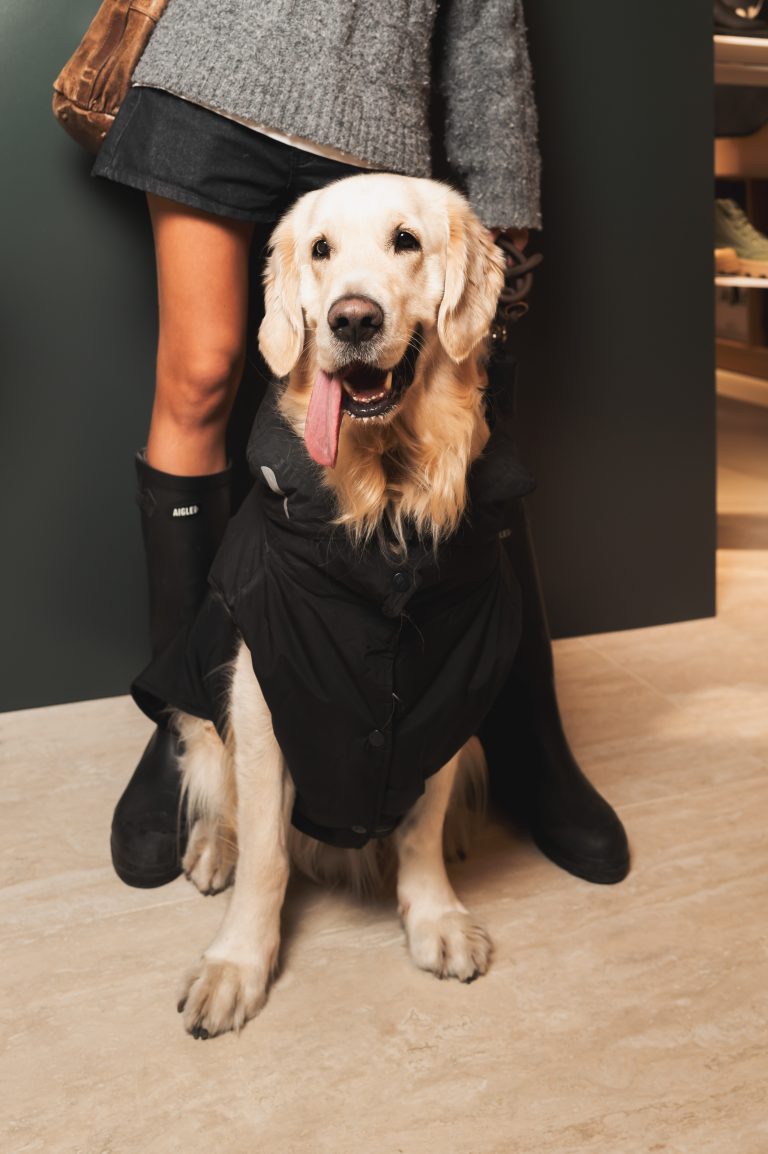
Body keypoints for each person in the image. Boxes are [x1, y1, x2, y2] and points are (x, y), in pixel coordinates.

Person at [91, 0, 629, 889]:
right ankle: (186, 730)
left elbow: (485, 23)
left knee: (455, 407)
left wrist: (502, 190)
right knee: (199, 376)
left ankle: (528, 741)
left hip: (377, 109)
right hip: (210, 79)